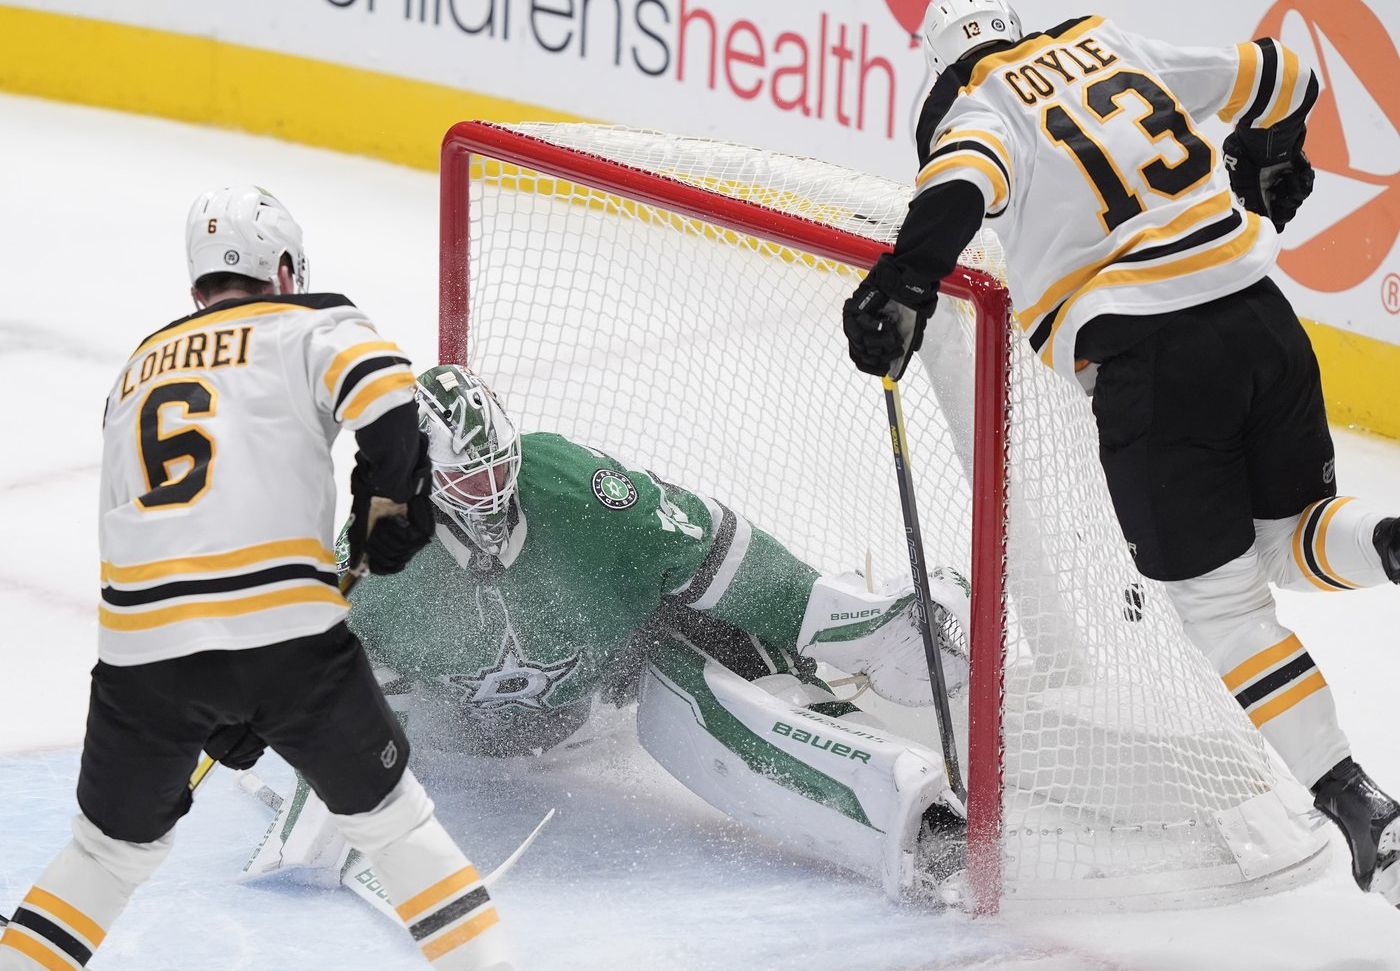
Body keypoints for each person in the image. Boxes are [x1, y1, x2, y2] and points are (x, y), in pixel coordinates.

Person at [841, 0, 1400, 905]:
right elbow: (1288, 75)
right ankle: (1392, 540)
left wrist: (903, 280)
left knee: (1221, 608)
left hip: (1156, 368)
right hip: (1263, 324)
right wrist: (1268, 153)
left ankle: (1358, 805)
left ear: (943, 66)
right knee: (1290, 538)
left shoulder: (984, 106)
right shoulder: (1115, 45)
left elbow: (958, 186)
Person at [0, 188, 513, 971]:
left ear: (198, 285)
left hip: (142, 652)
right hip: (289, 641)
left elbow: (123, 522)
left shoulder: (135, 369)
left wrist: (197, 693)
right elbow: (388, 401)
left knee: (105, 857)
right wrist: (385, 515)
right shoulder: (312, 324)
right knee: (393, 827)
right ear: (282, 269)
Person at [240, 364, 973, 904]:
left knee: (696, 642)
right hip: (463, 738)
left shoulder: (577, 490)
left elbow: (717, 554)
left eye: (500, 467)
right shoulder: (380, 557)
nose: (492, 494)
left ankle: (905, 812)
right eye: (468, 481)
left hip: (602, 689)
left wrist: (852, 625)